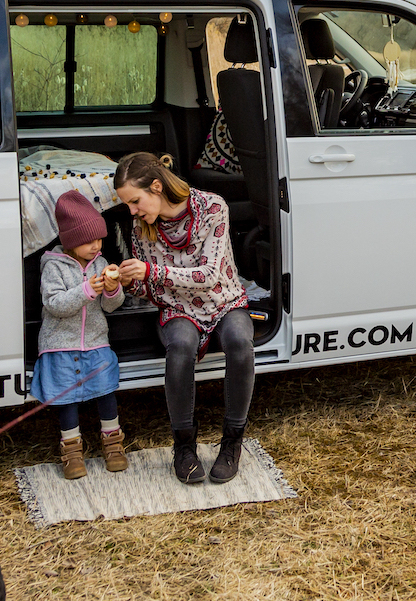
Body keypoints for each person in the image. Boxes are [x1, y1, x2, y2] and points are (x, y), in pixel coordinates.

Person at [112, 151, 253, 486]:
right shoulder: (140, 226)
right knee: (181, 345)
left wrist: (152, 272)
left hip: (224, 300)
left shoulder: (213, 207)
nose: (132, 211)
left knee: (239, 341)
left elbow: (208, 276)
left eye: (135, 201)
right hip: (178, 308)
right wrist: (131, 282)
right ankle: (184, 447)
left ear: (157, 187)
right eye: (129, 205)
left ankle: (232, 443)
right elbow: (151, 289)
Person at [35, 190, 128, 479]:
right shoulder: (53, 266)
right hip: (60, 345)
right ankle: (72, 451)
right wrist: (87, 289)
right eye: (89, 241)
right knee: (66, 399)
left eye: (99, 239)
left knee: (106, 390)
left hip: (96, 342)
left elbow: (110, 307)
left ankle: (113, 444)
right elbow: (55, 305)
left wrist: (112, 289)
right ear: (71, 240)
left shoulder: (100, 263)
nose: (96, 245)